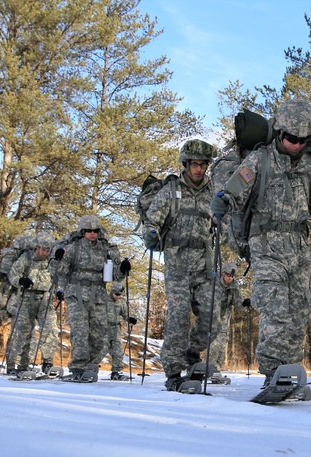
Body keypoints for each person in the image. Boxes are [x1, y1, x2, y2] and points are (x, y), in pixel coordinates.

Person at [211, 97, 311, 383]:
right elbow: (235, 190)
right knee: (275, 308)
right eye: (291, 138)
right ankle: (272, 372)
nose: (296, 144)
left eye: (302, 139)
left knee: (297, 314)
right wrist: (224, 202)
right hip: (265, 244)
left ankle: (289, 372)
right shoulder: (259, 159)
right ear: (280, 133)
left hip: (298, 246)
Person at [142, 138, 220, 391]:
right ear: (185, 164)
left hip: (204, 263)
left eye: (203, 164)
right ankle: (173, 371)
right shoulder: (171, 190)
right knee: (178, 318)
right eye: (194, 164)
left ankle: (192, 352)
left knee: (212, 318)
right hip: (177, 263)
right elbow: (152, 220)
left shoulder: (214, 191)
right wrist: (152, 234)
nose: (198, 169)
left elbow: (226, 223)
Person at [56, 215, 128, 380]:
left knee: (100, 334)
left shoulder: (105, 250)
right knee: (80, 332)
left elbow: (114, 275)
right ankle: (78, 368)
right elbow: (61, 270)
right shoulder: (73, 248)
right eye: (88, 230)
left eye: (95, 230)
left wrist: (123, 269)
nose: (92, 233)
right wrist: (59, 259)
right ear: (83, 232)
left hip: (98, 294)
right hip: (77, 293)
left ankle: (90, 363)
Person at [5, 234, 58, 375]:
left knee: (50, 329)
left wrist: (60, 291)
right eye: (43, 250)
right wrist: (21, 281)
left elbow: (60, 276)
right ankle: (15, 363)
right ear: (37, 247)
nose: (45, 253)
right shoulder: (26, 258)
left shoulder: (52, 261)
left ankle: (47, 362)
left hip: (46, 297)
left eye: (48, 250)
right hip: (26, 297)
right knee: (21, 332)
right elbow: (13, 275)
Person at [207, 261, 244, 380]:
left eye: (232, 276)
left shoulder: (234, 286)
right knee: (213, 344)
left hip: (224, 320)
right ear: (223, 273)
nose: (230, 278)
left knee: (222, 344)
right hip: (212, 318)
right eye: (228, 275)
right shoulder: (213, 283)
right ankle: (209, 369)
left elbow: (238, 304)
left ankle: (217, 370)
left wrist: (245, 303)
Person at [103, 282, 137, 380]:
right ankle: (90, 367)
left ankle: (115, 372)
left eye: (120, 295)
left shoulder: (121, 303)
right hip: (104, 328)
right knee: (101, 349)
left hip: (116, 328)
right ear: (112, 292)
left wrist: (130, 319)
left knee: (118, 350)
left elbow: (125, 315)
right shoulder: (104, 300)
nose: (118, 297)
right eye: (116, 294)